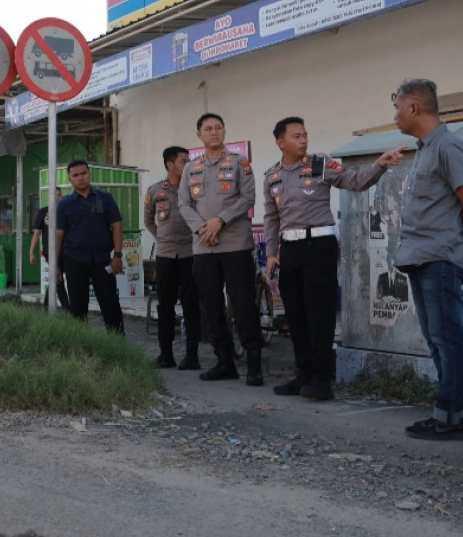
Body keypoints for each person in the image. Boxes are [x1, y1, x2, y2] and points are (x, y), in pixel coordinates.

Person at [263, 117, 406, 401]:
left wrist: (379, 164)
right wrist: (270, 253)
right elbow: (270, 217)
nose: (303, 140)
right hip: (289, 250)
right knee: (296, 314)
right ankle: (303, 374)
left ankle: (320, 380)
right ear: (281, 142)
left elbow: (355, 181)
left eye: (305, 134)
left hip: (319, 246)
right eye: (296, 136)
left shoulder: (320, 163)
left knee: (320, 313)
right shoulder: (271, 175)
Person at [392, 78, 463, 440]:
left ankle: (450, 416)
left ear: (414, 107)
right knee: (436, 338)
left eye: (398, 106)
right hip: (420, 257)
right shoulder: (424, 148)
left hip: (440, 258)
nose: (395, 114)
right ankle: (452, 409)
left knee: (447, 338)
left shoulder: (448, 146)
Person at [179, 112, 263, 384]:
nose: (214, 132)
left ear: (224, 132)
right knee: (211, 306)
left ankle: (253, 364)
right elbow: (183, 205)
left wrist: (220, 221)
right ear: (199, 135)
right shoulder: (191, 168)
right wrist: (203, 228)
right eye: (208, 129)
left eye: (218, 128)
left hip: (235, 245)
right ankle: (224, 361)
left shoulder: (241, 163)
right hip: (204, 247)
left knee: (243, 304)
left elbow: (247, 197)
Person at [144, 146, 202, 369]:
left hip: (190, 252)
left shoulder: (195, 190)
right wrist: (162, 238)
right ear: (170, 165)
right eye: (183, 161)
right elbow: (148, 220)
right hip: (166, 255)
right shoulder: (155, 191)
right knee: (165, 305)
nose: (188, 164)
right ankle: (166, 354)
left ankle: (192, 356)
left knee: (191, 304)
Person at [56, 160, 126, 333]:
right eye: (76, 175)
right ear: (70, 179)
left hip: (102, 260)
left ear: (89, 174)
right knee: (78, 309)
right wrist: (56, 265)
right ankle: (81, 352)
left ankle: (117, 347)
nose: (81, 178)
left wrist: (117, 255)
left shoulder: (105, 198)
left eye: (84, 173)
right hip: (74, 260)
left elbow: (116, 226)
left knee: (111, 305)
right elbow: (59, 235)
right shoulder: (64, 204)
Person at [28, 187, 70, 310]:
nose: (57, 197)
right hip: (50, 251)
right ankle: (68, 311)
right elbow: (36, 233)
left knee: (55, 278)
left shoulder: (65, 212)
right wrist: (31, 252)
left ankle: (46, 307)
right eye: (55, 195)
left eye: (59, 195)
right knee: (58, 279)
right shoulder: (43, 212)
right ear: (49, 198)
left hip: (66, 250)